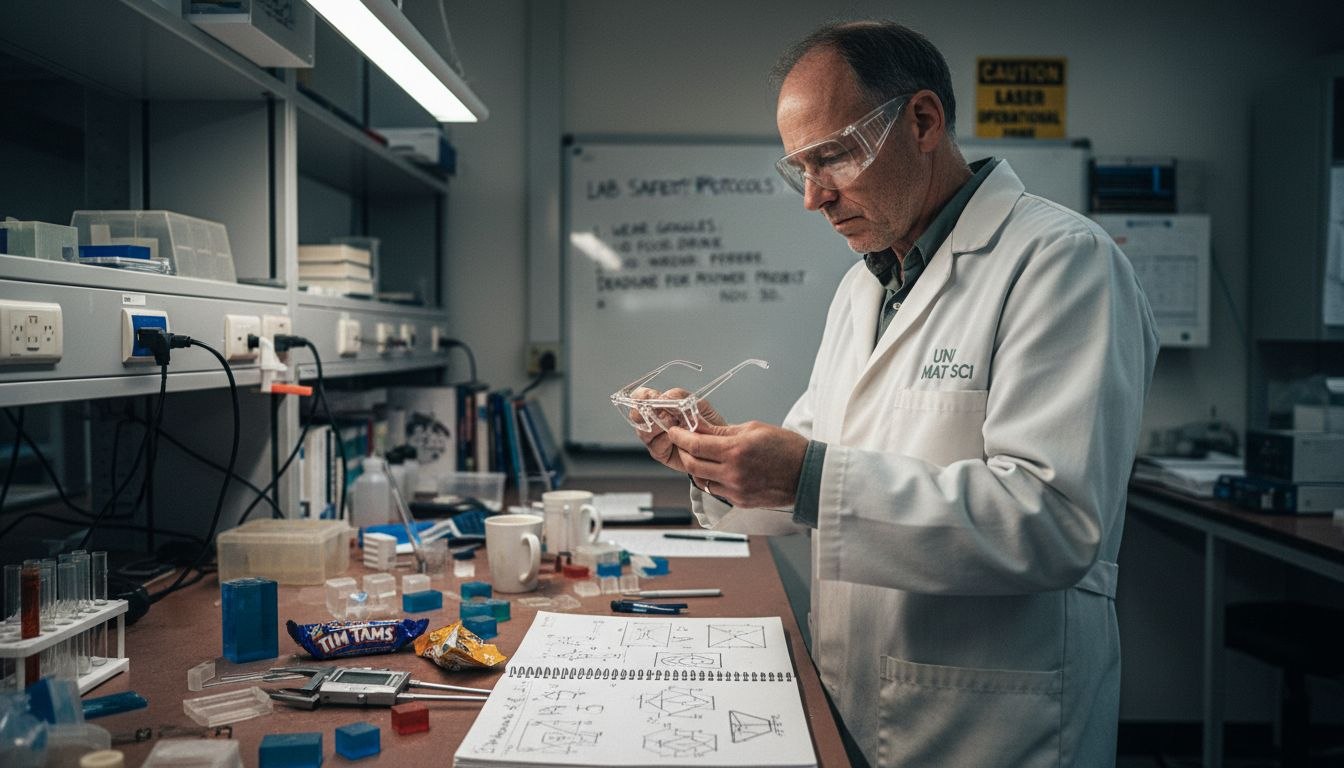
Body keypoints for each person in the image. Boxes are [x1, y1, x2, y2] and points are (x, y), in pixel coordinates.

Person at [627, 20, 1159, 768]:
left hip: (991, 723)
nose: (813, 197)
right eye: (799, 168)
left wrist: (807, 477)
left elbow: (1056, 522)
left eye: (832, 156)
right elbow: (808, 470)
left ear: (923, 121)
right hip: (853, 690)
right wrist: (713, 458)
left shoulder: (1062, 262)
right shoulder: (863, 288)